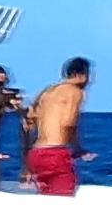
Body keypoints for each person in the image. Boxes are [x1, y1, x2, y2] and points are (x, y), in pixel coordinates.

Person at [24, 56, 91, 196]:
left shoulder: (45, 92)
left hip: (36, 154)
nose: (91, 81)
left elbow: (27, 124)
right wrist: (78, 148)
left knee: (47, 200)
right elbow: (68, 122)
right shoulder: (74, 91)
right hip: (55, 154)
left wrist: (26, 165)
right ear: (82, 75)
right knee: (62, 202)